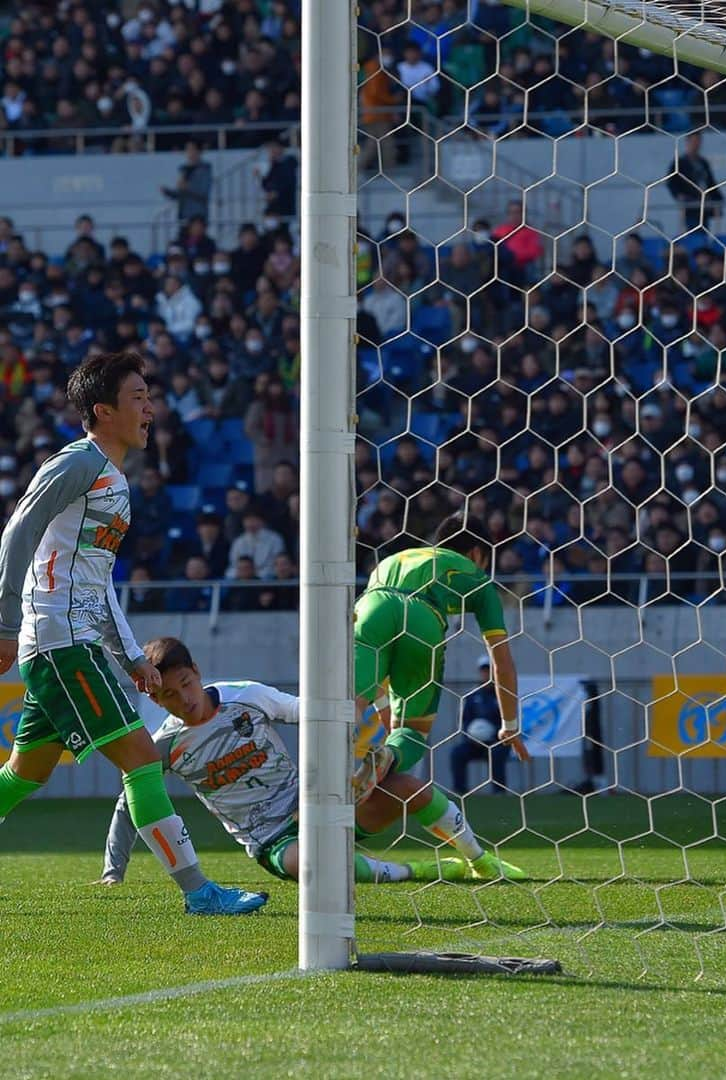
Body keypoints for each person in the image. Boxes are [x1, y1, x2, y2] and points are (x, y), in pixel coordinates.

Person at [0, 353, 266, 916]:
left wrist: (128, 655)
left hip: (74, 639)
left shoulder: (113, 479)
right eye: (139, 397)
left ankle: (201, 892)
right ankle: (200, 892)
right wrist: (4, 625)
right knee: (144, 760)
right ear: (103, 410)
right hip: (59, 639)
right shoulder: (77, 464)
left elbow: (98, 581)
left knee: (27, 772)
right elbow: (17, 532)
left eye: (150, 396)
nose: (151, 408)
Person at [99, 638, 522, 885]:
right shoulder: (167, 745)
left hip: (318, 807)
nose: (184, 699)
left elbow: (303, 710)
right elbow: (131, 800)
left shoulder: (245, 695)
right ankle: (420, 870)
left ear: (196, 670)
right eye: (168, 696)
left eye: (186, 684)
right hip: (275, 842)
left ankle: (481, 862)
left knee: (410, 787)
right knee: (323, 868)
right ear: (153, 698)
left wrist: (355, 706)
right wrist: (114, 867)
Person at [352, 514, 530, 845]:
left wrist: (376, 704)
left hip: (371, 605)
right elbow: (500, 661)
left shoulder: (394, 558)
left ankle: (321, 786)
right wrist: (509, 723)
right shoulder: (477, 578)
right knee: (412, 731)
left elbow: (380, 665)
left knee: (350, 703)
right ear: (477, 553)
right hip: (424, 618)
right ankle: (388, 757)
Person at [450, 655, 511, 794]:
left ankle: (499, 791)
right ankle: (460, 791)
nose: (486, 674)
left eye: (489, 670)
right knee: (457, 753)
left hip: (497, 742)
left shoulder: (503, 695)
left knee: (496, 753)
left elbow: (508, 720)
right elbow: (464, 721)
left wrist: (494, 734)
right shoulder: (472, 697)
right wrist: (472, 737)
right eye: (484, 670)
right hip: (474, 743)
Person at [666, 130, 724, 233]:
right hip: (691, 204)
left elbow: (711, 182)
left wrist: (718, 198)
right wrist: (679, 195)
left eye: (698, 141)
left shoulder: (703, 162)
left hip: (705, 204)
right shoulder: (680, 163)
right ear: (687, 142)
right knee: (693, 231)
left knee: (705, 230)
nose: (696, 144)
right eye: (694, 141)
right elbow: (671, 182)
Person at [160, 139, 212, 224]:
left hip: (198, 215)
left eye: (192, 149)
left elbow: (203, 192)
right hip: (184, 215)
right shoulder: (184, 169)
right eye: (187, 150)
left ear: (199, 151)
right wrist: (168, 192)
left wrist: (187, 187)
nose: (189, 153)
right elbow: (180, 194)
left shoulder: (205, 169)